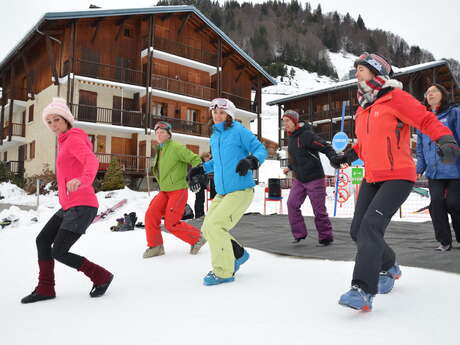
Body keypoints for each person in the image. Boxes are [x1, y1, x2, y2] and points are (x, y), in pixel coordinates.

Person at [329, 53, 460, 311]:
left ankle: (363, 289)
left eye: (361, 70)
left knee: (370, 228)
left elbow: (424, 119)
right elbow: (364, 144)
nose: (356, 74)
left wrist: (445, 139)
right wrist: (348, 156)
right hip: (373, 176)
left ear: (377, 72)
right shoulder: (363, 108)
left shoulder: (395, 97)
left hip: (398, 176)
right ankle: (389, 266)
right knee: (358, 231)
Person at [21, 97, 113, 304]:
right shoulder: (64, 142)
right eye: (50, 121)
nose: (54, 125)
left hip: (82, 205)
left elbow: (91, 160)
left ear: (66, 121)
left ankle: (101, 276)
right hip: (70, 205)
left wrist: (82, 179)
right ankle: (45, 288)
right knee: (43, 240)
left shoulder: (73, 139)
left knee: (59, 252)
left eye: (57, 120)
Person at [187, 98, 267, 285]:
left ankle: (224, 271)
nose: (218, 115)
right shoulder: (216, 136)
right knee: (207, 228)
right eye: (215, 112)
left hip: (241, 190)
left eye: (222, 112)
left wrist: (251, 161)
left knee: (216, 226)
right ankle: (237, 254)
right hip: (222, 192)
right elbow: (219, 162)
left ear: (229, 114)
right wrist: (201, 169)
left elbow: (260, 149)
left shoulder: (238, 131)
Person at [143, 121, 206, 258]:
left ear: (169, 134)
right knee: (151, 214)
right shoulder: (160, 149)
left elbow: (195, 159)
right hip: (165, 191)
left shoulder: (176, 147)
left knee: (171, 223)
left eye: (162, 132)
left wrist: (196, 177)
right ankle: (156, 246)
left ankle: (197, 238)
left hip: (178, 190)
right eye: (157, 133)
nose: (159, 135)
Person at [282, 110, 338, 246]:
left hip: (314, 178)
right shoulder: (291, 138)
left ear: (295, 121)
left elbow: (325, 146)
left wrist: (333, 157)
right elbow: (296, 156)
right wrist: (290, 166)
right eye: (283, 122)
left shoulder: (307, 135)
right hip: (299, 179)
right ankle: (299, 234)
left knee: (318, 209)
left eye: (287, 121)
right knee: (292, 204)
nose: (285, 125)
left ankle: (326, 236)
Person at [416, 84, 460, 252]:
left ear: (443, 94)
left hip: (455, 169)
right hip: (434, 172)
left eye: (434, 91)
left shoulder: (454, 113)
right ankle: (444, 241)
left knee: (454, 204)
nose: (430, 94)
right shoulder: (423, 120)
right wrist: (420, 167)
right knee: (436, 205)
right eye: (427, 92)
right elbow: (420, 148)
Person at [194, 152, 212, 218]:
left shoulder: (206, 164)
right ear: (204, 157)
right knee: (199, 198)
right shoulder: (200, 164)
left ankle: (201, 213)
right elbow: (200, 175)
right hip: (198, 183)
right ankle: (199, 214)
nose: (209, 159)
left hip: (202, 182)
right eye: (207, 158)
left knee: (201, 198)